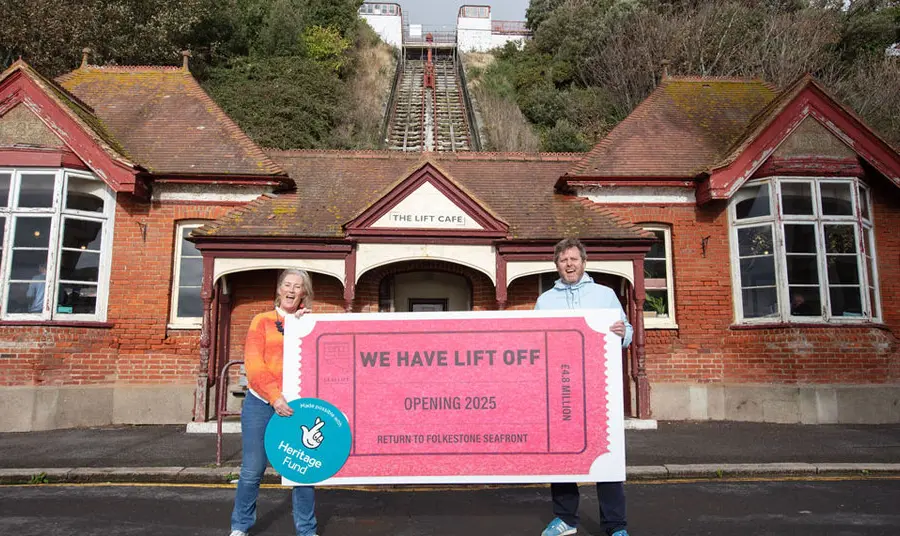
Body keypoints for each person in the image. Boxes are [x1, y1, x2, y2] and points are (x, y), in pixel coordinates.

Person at [535, 238, 632, 536]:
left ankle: (615, 526)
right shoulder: (545, 300)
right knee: (563, 455)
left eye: (574, 259)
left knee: (607, 454)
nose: (569, 264)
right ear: (556, 264)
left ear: (584, 262)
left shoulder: (605, 295)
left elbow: (626, 331)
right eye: (563, 260)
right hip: (562, 390)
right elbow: (538, 342)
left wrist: (621, 331)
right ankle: (566, 519)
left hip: (599, 389)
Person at [230, 269, 319, 536]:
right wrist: (274, 396)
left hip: (296, 405)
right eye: (287, 285)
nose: (292, 290)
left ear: (305, 293)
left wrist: (307, 326)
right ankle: (240, 526)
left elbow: (318, 361)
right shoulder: (262, 321)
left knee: (302, 470)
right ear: (279, 290)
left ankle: (307, 530)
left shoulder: (309, 322)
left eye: (298, 287)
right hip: (261, 403)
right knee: (253, 469)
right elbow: (254, 365)